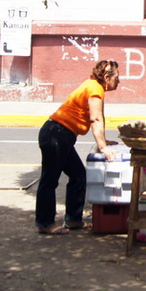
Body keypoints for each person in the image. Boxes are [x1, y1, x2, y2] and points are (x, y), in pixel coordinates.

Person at [35, 59, 120, 235]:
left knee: (79, 175)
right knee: (49, 179)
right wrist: (103, 147)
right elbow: (95, 119)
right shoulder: (95, 88)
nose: (119, 81)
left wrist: (103, 140)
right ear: (106, 76)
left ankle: (74, 220)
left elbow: (98, 117)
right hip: (56, 134)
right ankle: (45, 223)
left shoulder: (94, 87)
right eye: (117, 77)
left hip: (61, 135)